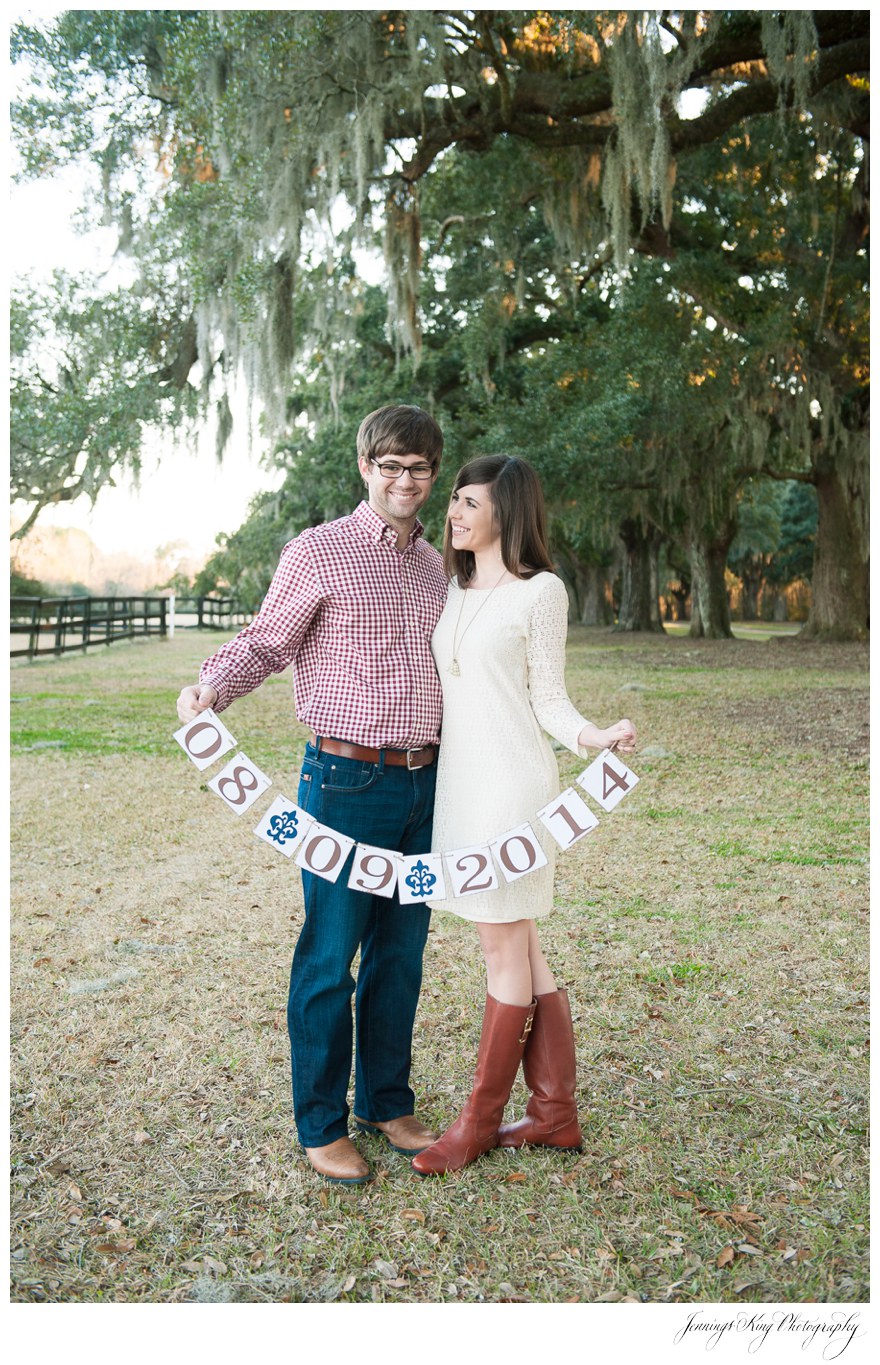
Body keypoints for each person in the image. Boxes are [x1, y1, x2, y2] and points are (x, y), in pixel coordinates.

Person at [176, 404, 448, 1186]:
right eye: (390, 466)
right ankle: (321, 1121)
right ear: (366, 466)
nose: (405, 480)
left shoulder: (438, 566)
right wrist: (212, 686)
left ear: (433, 473)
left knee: (400, 954)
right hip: (344, 779)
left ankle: (386, 1101)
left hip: (427, 783)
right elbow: (268, 640)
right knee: (331, 954)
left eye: (419, 467)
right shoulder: (319, 551)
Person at [410, 455, 636, 1176]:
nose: (453, 512)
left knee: (500, 947)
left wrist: (594, 736)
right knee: (524, 947)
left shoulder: (542, 591)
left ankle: (476, 1124)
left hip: (511, 786)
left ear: (507, 512)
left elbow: (549, 697)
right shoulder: (452, 587)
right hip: (460, 785)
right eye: (454, 500)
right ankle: (553, 1114)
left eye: (469, 503)